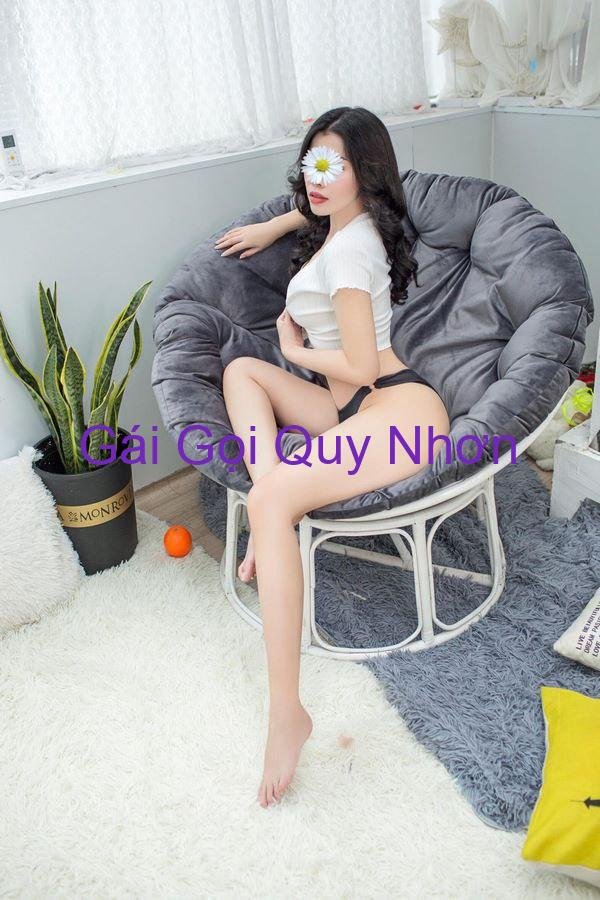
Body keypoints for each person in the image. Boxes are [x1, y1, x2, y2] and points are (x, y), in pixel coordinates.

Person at [214, 106, 450, 809]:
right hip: (354, 410)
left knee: (270, 468)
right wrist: (279, 224)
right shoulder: (349, 227)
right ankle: (273, 508)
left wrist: (293, 350)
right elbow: (327, 211)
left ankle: (287, 710)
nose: (318, 178)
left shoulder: (350, 253)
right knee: (241, 373)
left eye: (335, 165)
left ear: (365, 173)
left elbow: (362, 367)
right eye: (312, 162)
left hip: (398, 410)